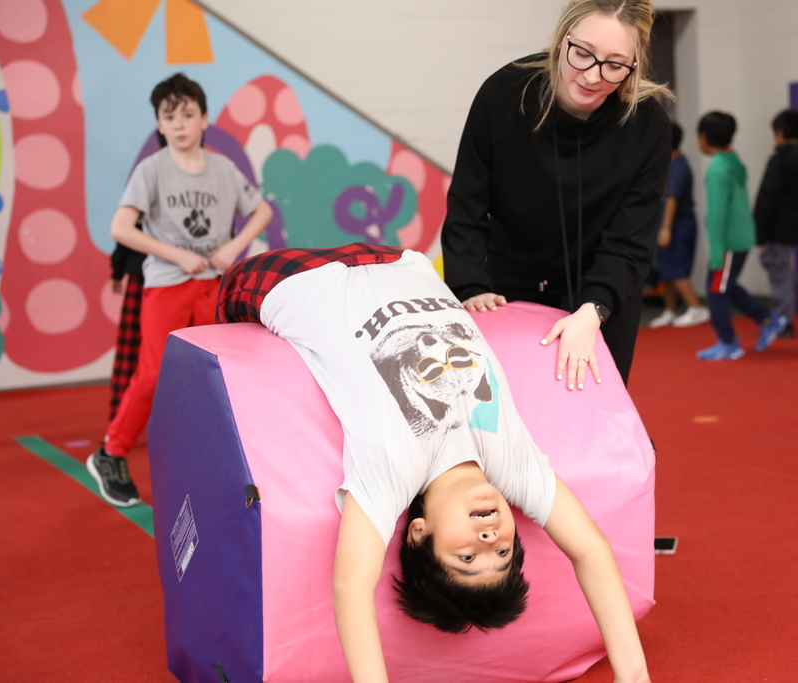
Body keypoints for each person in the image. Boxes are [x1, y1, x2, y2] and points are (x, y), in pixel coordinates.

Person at [216, 244, 652, 683]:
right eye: (502, 552)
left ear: (419, 534)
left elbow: (351, 587)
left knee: (220, 305)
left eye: (467, 556)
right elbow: (590, 549)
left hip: (295, 277)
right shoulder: (516, 467)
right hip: (398, 261)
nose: (488, 537)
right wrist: (632, 672)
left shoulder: (391, 476)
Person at [440, 0, 672, 391]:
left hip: (600, 287)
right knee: (510, 415)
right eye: (581, 53)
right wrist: (471, 287)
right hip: (507, 285)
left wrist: (594, 308)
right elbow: (467, 203)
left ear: (634, 65)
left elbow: (631, 239)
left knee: (591, 411)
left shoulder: (647, 124)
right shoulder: (504, 94)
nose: (592, 76)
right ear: (561, 40)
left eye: (615, 65)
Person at [87, 73, 273, 506]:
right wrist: (174, 254)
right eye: (169, 116)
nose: (180, 123)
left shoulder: (223, 169)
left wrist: (232, 246)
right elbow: (121, 228)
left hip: (211, 285)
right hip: (168, 286)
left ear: (204, 118)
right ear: (159, 123)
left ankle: (215, 465)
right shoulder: (151, 170)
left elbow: (261, 211)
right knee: (153, 373)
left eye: (188, 114)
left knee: (213, 375)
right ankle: (110, 452)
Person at [695, 111, 786, 361]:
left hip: (727, 244)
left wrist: (716, 253)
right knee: (727, 286)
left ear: (703, 138)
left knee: (715, 291)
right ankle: (768, 320)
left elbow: (717, 215)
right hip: (740, 240)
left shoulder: (717, 169)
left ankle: (728, 343)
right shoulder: (732, 159)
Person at [754, 108, 798, 337]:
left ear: (780, 133)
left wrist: (759, 232)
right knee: (775, 264)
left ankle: (784, 322)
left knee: (779, 272)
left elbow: (767, 197)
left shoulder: (780, 160)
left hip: (778, 225)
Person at [647, 122, 709, 329]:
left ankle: (696, 307)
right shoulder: (669, 163)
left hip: (678, 226)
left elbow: (672, 199)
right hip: (670, 225)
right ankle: (670, 310)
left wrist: (665, 228)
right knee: (666, 270)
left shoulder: (679, 165)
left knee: (677, 270)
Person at [108, 240, 145, 420]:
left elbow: (127, 232)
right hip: (197, 273)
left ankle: (119, 418)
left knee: (130, 352)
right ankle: (120, 420)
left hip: (147, 273)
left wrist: (117, 270)